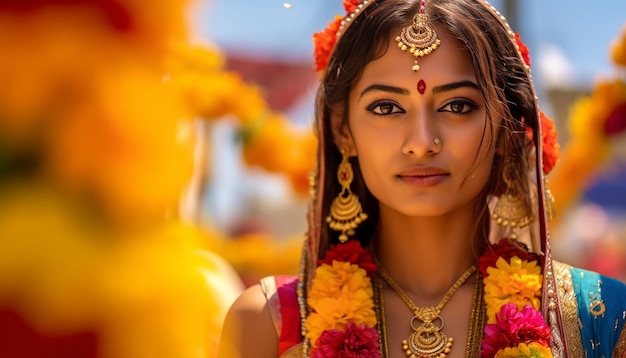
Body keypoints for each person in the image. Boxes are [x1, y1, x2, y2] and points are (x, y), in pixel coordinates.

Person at [217, 0, 626, 357]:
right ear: (344, 131)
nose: (421, 142)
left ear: (506, 129)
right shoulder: (271, 323)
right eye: (386, 108)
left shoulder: (604, 317)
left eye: (457, 105)